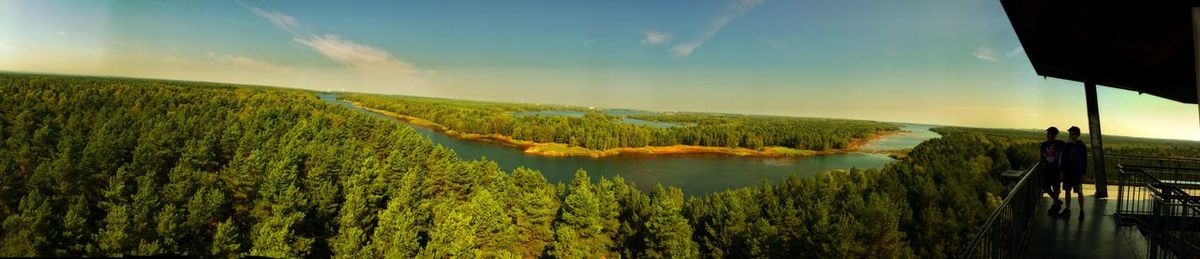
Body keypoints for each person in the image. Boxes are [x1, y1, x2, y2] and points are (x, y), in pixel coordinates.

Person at [1060, 126, 1087, 220]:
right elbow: (1063, 159)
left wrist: (1083, 172)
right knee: (1067, 191)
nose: (1071, 135)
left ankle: (1082, 210)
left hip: (1077, 173)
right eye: (1070, 133)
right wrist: (1062, 171)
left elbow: (1084, 160)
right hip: (1068, 172)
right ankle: (1067, 209)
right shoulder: (1066, 146)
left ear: (1078, 135)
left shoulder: (1082, 146)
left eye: (1073, 133)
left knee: (1079, 191)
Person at [1041, 126, 1065, 216]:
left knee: (1056, 189)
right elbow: (1042, 157)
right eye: (1048, 133)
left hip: (1056, 170)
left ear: (1054, 135)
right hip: (1047, 170)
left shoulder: (1059, 144)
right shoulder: (1043, 145)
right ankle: (1057, 201)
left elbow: (1069, 146)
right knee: (1046, 187)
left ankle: (1055, 205)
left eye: (1050, 133)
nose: (1048, 135)